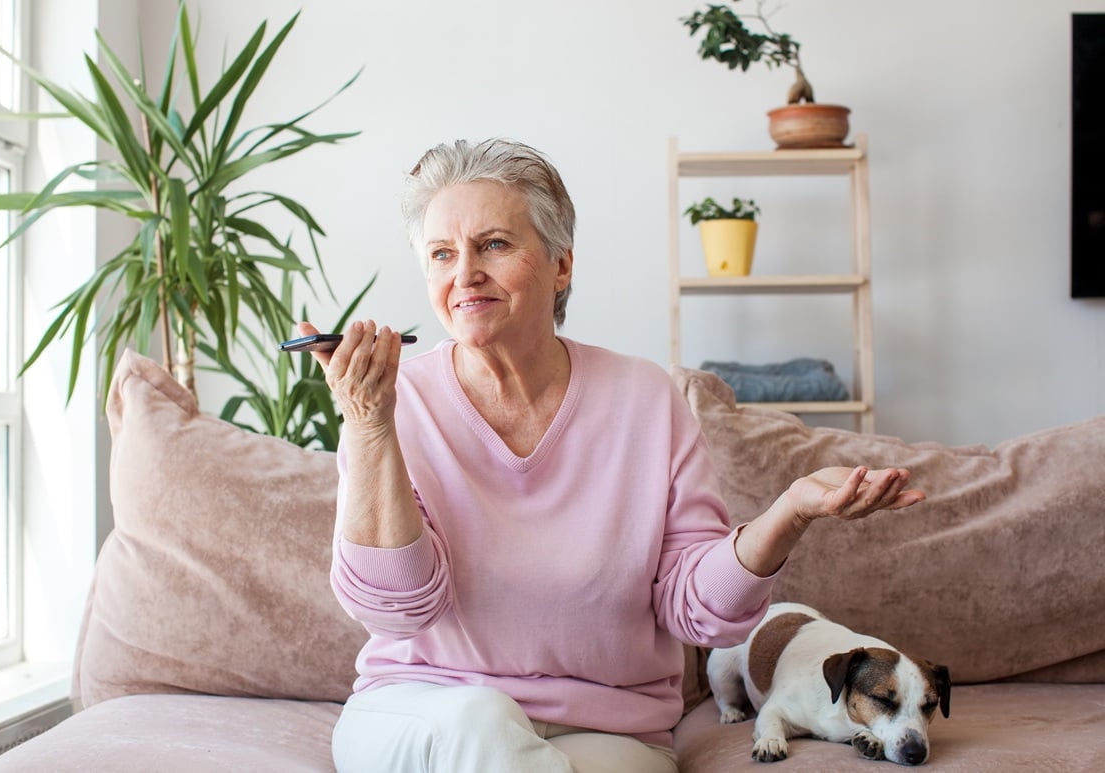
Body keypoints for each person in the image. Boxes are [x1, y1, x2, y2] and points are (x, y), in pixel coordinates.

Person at [299, 138, 924, 773]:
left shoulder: (645, 399)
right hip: (424, 711)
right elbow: (394, 609)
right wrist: (371, 425)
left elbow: (697, 610)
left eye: (493, 245)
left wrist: (788, 512)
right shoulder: (387, 401)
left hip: (604, 726)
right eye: (441, 253)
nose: (464, 273)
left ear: (561, 265)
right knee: (481, 719)